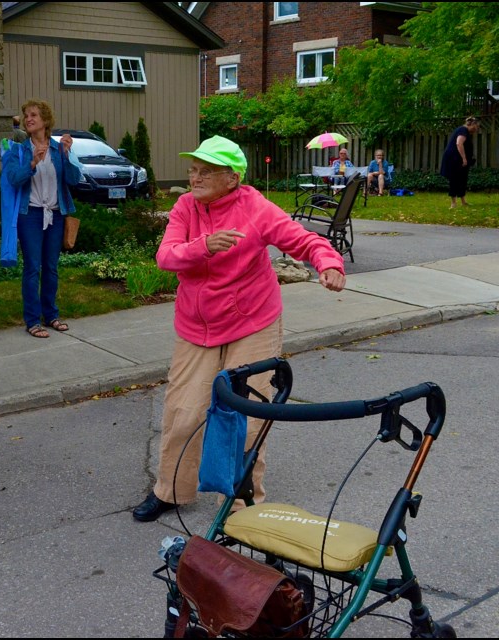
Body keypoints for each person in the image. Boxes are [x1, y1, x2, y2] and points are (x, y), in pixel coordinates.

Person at [132, 135, 347, 522]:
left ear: (232, 178)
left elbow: (302, 240)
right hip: (197, 325)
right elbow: (166, 257)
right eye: (193, 170)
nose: (195, 178)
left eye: (206, 171)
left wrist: (328, 262)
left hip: (252, 322)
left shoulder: (256, 209)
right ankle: (171, 491)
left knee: (247, 419)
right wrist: (204, 246)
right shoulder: (185, 207)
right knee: (184, 411)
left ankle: (241, 505)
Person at [2, 99, 82, 338]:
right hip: (32, 215)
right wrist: (33, 163)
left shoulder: (59, 149)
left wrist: (67, 155)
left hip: (56, 215)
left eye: (34, 115)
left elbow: (74, 179)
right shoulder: (20, 150)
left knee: (51, 268)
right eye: (26, 115)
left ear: (45, 121)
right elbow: (14, 179)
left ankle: (52, 315)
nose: (28, 119)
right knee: (32, 268)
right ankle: (32, 320)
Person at [440, 116, 480, 208]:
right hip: (454, 159)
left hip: (459, 159)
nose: (476, 130)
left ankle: (463, 201)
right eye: (476, 127)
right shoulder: (462, 130)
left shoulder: (465, 131)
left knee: (462, 179)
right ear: (472, 124)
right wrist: (464, 158)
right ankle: (453, 203)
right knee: (455, 179)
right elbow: (459, 143)